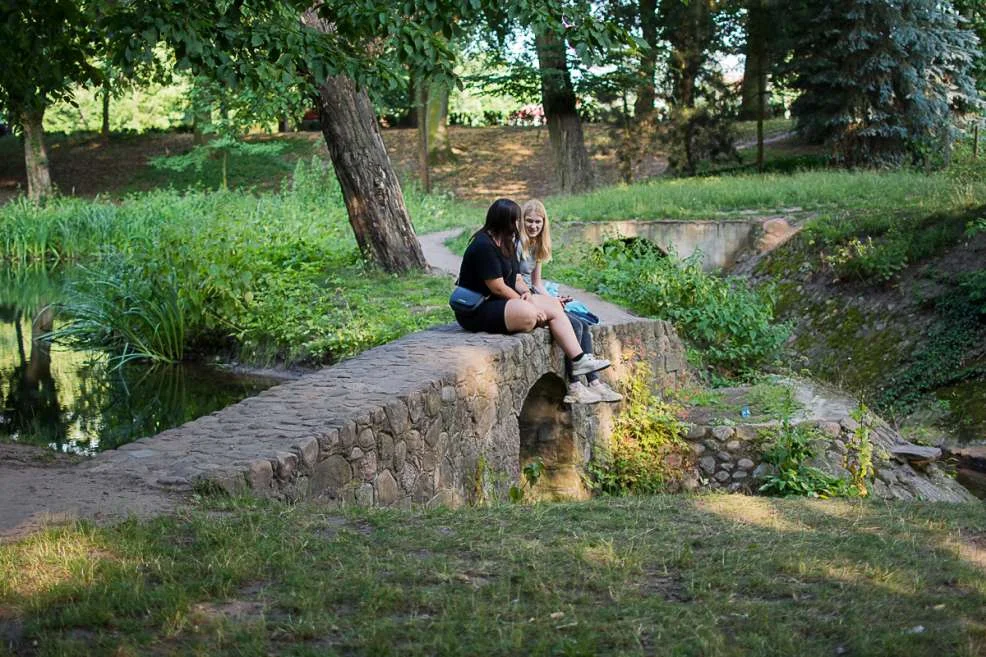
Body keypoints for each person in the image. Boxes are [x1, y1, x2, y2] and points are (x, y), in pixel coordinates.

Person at [454, 198, 610, 386]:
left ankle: (579, 360)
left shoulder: (506, 242)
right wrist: (528, 304)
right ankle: (578, 377)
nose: (518, 225)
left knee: (553, 306)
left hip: (499, 301)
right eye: (515, 220)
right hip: (477, 308)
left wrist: (527, 294)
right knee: (529, 315)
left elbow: (516, 278)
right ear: (503, 221)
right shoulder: (483, 246)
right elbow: (498, 287)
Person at [518, 199, 622, 404]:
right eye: (529, 221)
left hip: (536, 294)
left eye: (538, 222)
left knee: (582, 322)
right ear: (522, 221)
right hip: (523, 298)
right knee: (573, 325)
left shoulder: (538, 245)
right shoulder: (517, 244)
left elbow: (538, 283)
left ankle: (594, 383)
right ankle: (574, 386)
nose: (533, 226)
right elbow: (517, 279)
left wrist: (555, 301)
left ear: (544, 223)